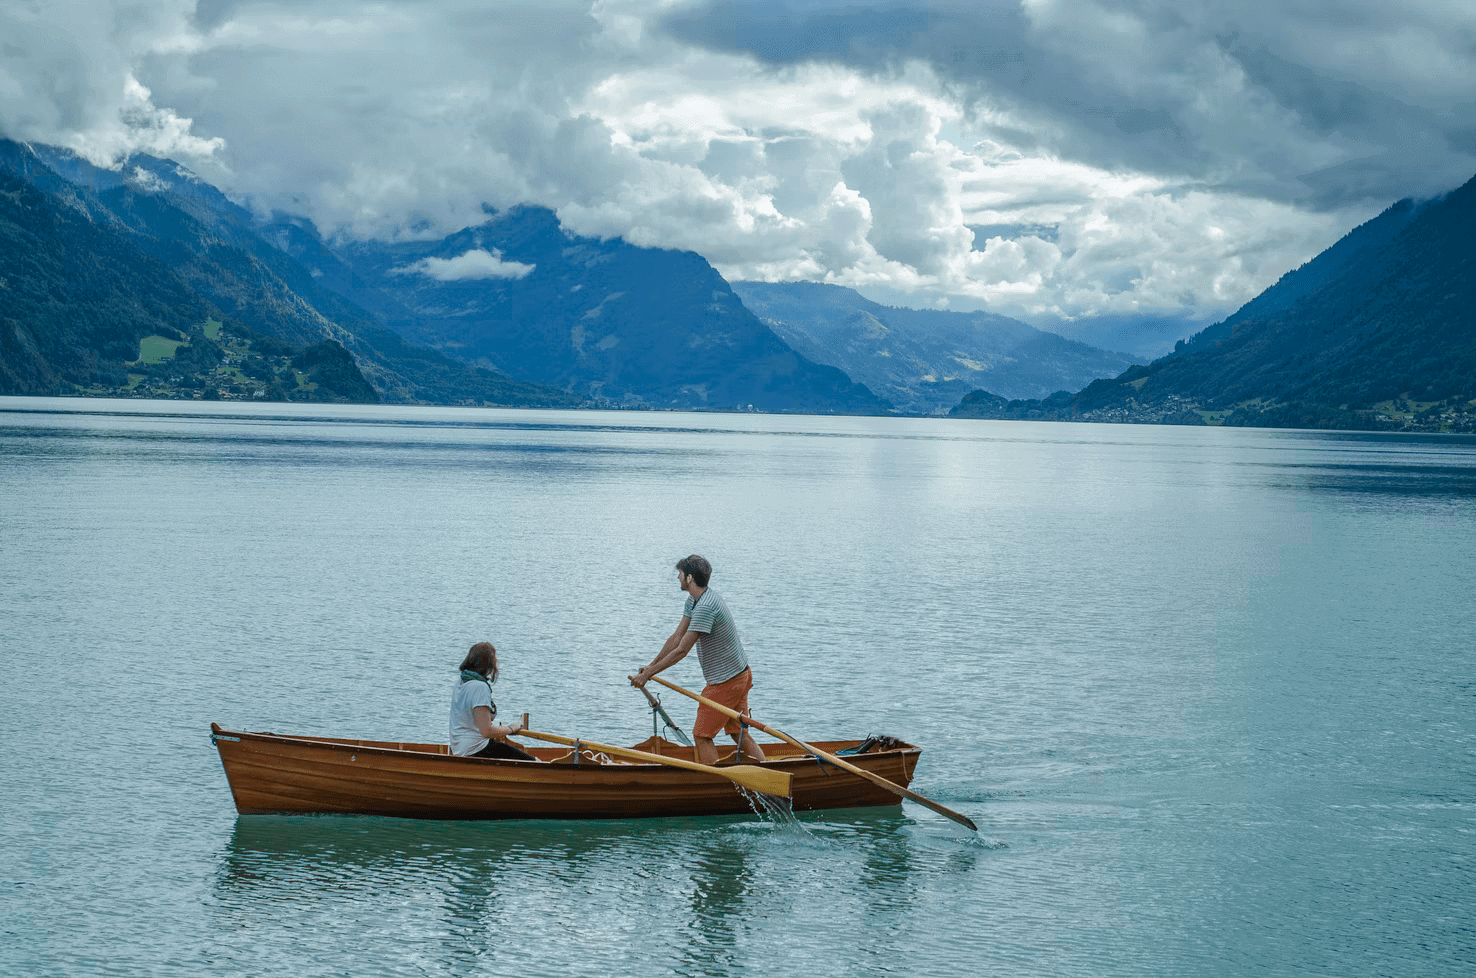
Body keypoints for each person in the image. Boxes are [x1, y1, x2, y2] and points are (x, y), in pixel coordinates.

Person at [629, 555, 765, 766]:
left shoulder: (705, 607)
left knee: (702, 735)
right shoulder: (694, 601)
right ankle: (771, 773)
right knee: (738, 732)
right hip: (740, 675)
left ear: (690, 578)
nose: (678, 577)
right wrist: (651, 666)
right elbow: (676, 638)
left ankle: (718, 781)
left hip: (726, 682)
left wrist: (649, 674)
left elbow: (682, 650)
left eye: (680, 574)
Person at [450, 641, 533, 760]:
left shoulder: (461, 682)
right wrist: (511, 728)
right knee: (536, 762)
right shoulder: (480, 687)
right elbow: (486, 731)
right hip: (477, 748)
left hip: (459, 748)